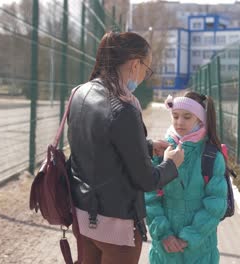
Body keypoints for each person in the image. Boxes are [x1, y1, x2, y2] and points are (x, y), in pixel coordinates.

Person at [67, 31, 184, 264]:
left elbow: (97, 145)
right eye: (146, 69)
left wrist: (146, 147)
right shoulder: (124, 108)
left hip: (82, 215)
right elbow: (146, 180)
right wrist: (171, 164)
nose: (144, 76)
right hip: (116, 227)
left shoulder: (80, 93)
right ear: (134, 65)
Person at [145, 92, 228, 264]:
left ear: (200, 120)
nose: (179, 122)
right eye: (175, 116)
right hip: (165, 251)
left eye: (187, 117)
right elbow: (149, 197)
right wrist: (164, 234)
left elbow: (216, 203)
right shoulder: (161, 151)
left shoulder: (211, 156)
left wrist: (189, 237)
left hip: (200, 251)